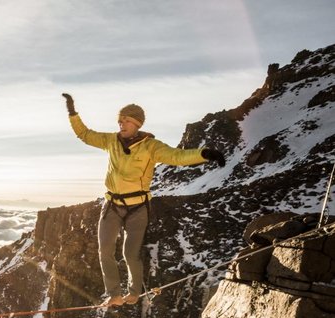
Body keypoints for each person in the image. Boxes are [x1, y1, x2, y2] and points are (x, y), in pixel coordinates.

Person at [62, 93, 225, 307]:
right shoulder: (111, 141)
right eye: (119, 120)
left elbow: (177, 157)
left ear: (137, 123)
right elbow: (84, 134)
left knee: (130, 253)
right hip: (112, 204)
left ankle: (134, 292)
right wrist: (72, 112)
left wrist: (205, 154)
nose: (121, 124)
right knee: (105, 250)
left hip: (138, 207)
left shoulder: (151, 146)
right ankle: (114, 294)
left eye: (125, 120)